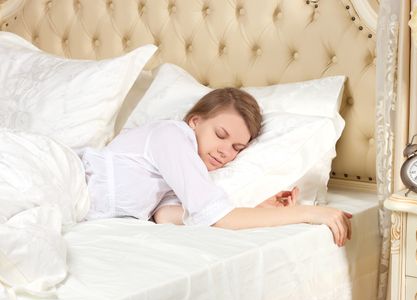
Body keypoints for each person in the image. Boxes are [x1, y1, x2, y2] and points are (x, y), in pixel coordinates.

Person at [82, 88, 352, 247]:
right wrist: (310, 214)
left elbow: (167, 216)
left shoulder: (176, 172)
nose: (225, 152)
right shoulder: (172, 136)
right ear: (195, 121)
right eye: (221, 135)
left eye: (237, 148)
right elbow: (218, 218)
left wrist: (257, 209)